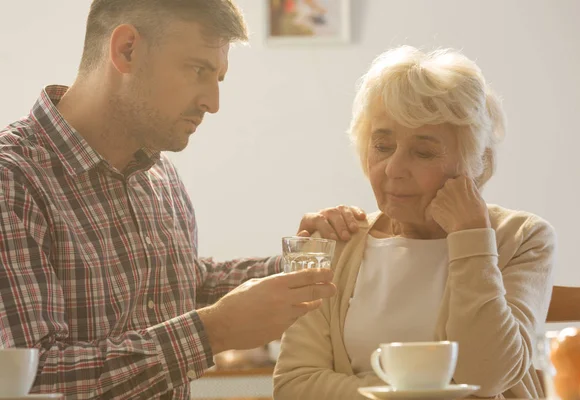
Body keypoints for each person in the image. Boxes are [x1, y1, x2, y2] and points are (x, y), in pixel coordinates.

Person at [0, 1, 363, 399]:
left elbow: (183, 284)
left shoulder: (158, 172)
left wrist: (306, 261)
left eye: (219, 78)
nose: (213, 102)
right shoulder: (12, 182)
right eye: (198, 70)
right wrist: (213, 331)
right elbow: (31, 380)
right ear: (127, 50)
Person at [274, 45, 556, 399]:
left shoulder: (523, 238)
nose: (393, 169)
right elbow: (295, 386)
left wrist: (472, 240)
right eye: (382, 146)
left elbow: (488, 376)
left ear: (473, 164)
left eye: (422, 152)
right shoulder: (334, 240)